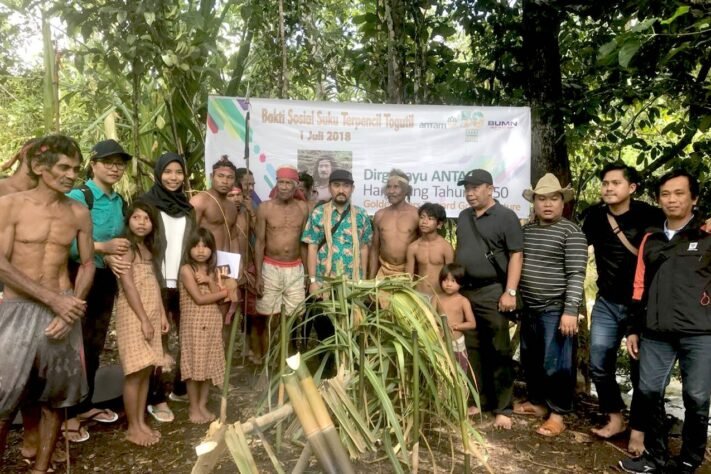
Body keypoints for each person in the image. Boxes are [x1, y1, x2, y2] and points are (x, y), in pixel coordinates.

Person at [0, 135, 94, 474]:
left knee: (57, 398)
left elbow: (86, 264)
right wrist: (53, 300)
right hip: (18, 309)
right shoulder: (10, 205)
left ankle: (41, 469)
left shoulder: (79, 211)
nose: (71, 175)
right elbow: (2, 264)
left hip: (64, 310)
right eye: (63, 167)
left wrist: (73, 305)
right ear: (40, 167)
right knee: (4, 396)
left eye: (75, 168)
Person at [619, 170, 711, 474]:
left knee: (696, 398)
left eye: (680, 193)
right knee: (648, 393)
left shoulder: (706, 234)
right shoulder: (651, 238)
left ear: (694, 198)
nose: (672, 199)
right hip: (655, 332)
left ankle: (688, 461)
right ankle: (654, 458)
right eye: (666, 194)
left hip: (700, 332)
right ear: (658, 199)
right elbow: (638, 286)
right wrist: (633, 328)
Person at [583, 164, 663, 453]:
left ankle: (640, 430)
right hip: (607, 302)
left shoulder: (651, 216)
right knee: (599, 364)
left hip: (642, 306)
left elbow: (679, 235)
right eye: (605, 182)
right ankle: (615, 418)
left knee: (641, 369)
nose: (608, 188)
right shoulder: (594, 216)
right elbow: (578, 246)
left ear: (632, 188)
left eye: (616, 183)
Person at [63, 139, 132, 441]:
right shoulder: (78, 196)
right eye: (109, 162)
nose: (115, 168)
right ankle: (66, 416)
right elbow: (64, 244)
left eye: (120, 163)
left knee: (93, 343)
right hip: (78, 276)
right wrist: (103, 247)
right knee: (72, 345)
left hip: (105, 279)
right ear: (93, 164)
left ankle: (84, 405)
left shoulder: (119, 201)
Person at [515, 173, 587, 437]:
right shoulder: (527, 231)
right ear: (534, 202)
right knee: (531, 359)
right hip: (530, 308)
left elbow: (577, 274)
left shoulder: (572, 232)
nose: (547, 204)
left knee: (557, 363)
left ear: (562, 202)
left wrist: (570, 311)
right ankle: (537, 403)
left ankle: (558, 414)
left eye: (553, 198)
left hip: (556, 310)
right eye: (542, 199)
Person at [455, 169, 522, 430]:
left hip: (494, 291)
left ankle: (503, 408)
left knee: (499, 349)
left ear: (490, 189)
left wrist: (511, 292)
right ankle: (477, 400)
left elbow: (516, 255)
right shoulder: (463, 216)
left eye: (475, 188)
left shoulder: (506, 217)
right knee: (470, 349)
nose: (470, 193)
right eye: (467, 189)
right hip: (466, 292)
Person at [136, 152, 196, 418]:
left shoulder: (188, 207)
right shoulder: (147, 203)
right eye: (168, 172)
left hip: (182, 281)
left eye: (178, 172)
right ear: (159, 174)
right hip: (154, 281)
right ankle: (156, 398)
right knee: (158, 341)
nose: (173, 177)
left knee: (189, 335)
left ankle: (180, 388)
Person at [301, 169, 372, 371]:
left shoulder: (361, 215)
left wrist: (363, 280)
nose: (341, 190)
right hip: (325, 283)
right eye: (337, 185)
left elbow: (366, 247)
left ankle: (349, 372)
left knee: (353, 327)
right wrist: (313, 280)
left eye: (346, 186)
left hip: (352, 284)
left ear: (352, 188)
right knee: (325, 327)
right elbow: (312, 247)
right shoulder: (318, 213)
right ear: (330, 187)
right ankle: (327, 372)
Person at [115, 202, 170, 446]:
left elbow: (154, 285)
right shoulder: (126, 249)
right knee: (135, 371)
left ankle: (140, 421)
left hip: (150, 313)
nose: (141, 222)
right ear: (128, 221)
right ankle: (132, 427)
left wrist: (161, 315)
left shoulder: (147, 249)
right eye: (136, 217)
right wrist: (145, 319)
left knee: (147, 369)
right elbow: (128, 286)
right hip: (133, 314)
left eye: (146, 219)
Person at [254, 166, 309, 363]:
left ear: (296, 186)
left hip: (295, 268)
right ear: (276, 183)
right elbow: (259, 242)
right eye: (281, 182)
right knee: (270, 318)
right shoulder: (265, 208)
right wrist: (259, 275)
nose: (284, 187)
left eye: (288, 183)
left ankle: (288, 364)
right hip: (270, 267)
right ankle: (269, 363)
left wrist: (307, 276)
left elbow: (304, 242)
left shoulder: (303, 208)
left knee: (293, 318)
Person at [179, 228, 227, 424]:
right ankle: (193, 407)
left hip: (212, 322)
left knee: (208, 364)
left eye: (205, 246)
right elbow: (199, 298)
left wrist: (209, 281)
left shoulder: (213, 271)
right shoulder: (186, 270)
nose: (201, 250)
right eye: (196, 246)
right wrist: (224, 293)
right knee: (193, 366)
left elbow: (218, 298)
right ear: (188, 248)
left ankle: (203, 405)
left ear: (212, 249)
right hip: (193, 324)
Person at [369, 169, 419, 280]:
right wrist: (371, 279)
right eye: (388, 187)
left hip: (408, 273)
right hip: (384, 273)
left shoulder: (416, 215)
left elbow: (424, 247)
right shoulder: (380, 215)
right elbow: (374, 249)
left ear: (406, 190)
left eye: (396, 187)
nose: (391, 191)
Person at [191, 157, 240, 253]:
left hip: (226, 263)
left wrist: (238, 262)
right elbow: (189, 236)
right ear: (211, 177)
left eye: (230, 177)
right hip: (205, 260)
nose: (225, 181)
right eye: (220, 176)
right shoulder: (199, 201)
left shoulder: (232, 207)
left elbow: (233, 238)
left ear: (234, 180)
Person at [406, 203, 454, 296]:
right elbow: (408, 277)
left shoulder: (445, 247)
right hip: (419, 296)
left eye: (430, 218)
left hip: (440, 296)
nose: (424, 221)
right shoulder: (413, 247)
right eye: (422, 217)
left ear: (439, 224)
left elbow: (451, 276)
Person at [436, 263, 476, 373]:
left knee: (459, 371)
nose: (448, 284)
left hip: (457, 343)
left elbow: (472, 323)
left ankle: (461, 389)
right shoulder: (436, 298)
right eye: (445, 280)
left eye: (453, 281)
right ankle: (442, 390)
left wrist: (457, 326)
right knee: (441, 371)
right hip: (439, 342)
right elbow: (430, 317)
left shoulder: (463, 301)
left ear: (461, 283)